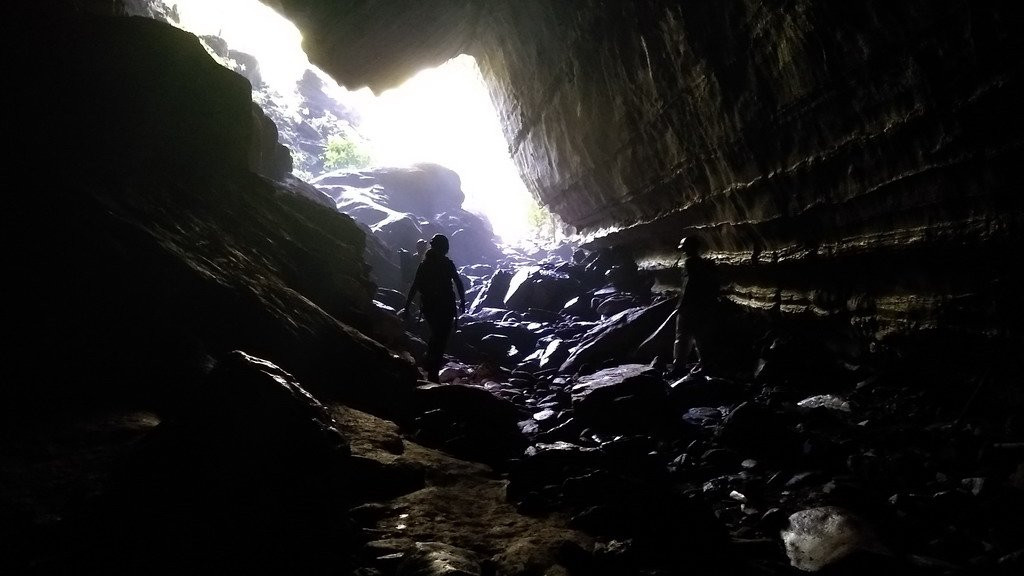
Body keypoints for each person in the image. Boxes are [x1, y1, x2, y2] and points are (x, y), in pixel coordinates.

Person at [399, 234, 466, 382]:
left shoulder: (425, 264)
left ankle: (430, 367)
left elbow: (415, 285)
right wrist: (462, 301)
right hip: (446, 306)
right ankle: (432, 371)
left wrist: (407, 306)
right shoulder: (447, 264)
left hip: (430, 306)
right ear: (444, 247)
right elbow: (458, 282)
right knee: (441, 337)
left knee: (436, 335)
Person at [671, 235, 720, 377]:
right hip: (703, 307)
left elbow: (688, 286)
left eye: (684, 248)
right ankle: (705, 365)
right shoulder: (704, 264)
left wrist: (680, 306)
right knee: (701, 337)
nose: (683, 251)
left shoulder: (690, 263)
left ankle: (678, 367)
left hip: (689, 308)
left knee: (682, 337)